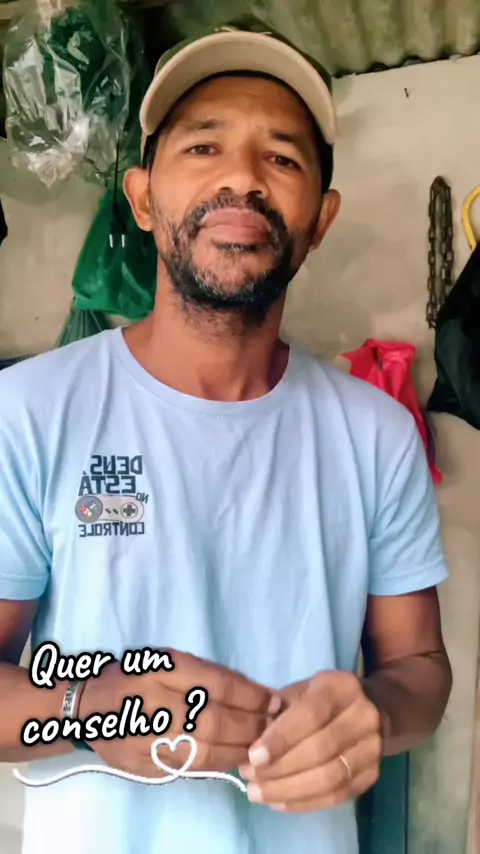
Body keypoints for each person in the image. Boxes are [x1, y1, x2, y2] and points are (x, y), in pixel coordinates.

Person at [0, 23, 452, 854]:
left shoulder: (377, 436)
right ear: (143, 200)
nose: (242, 177)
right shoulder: (27, 413)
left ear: (320, 220)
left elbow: (419, 668)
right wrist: (91, 712)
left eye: (282, 158)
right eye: (204, 147)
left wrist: (375, 714)